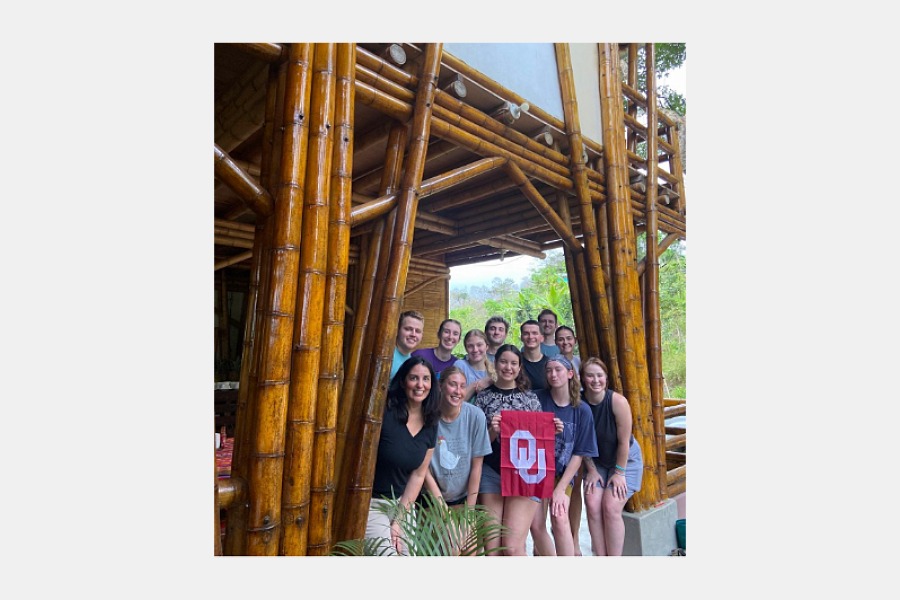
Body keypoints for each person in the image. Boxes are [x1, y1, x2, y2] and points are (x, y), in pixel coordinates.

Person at [472, 344, 548, 556]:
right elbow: (479, 444)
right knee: (493, 548)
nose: (508, 367)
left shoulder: (530, 399)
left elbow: (539, 442)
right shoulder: (483, 397)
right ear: (495, 364)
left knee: (513, 547)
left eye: (513, 363)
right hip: (491, 472)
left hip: (522, 475)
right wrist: (493, 431)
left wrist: (554, 430)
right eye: (503, 362)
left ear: (520, 367)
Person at [367, 356, 441, 555]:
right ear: (402, 381)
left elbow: (418, 475)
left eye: (426, 379)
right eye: (414, 378)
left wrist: (398, 522)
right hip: (371, 502)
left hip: (401, 504)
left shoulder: (431, 423)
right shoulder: (385, 412)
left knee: (408, 555)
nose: (420, 385)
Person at [528, 355, 597, 556]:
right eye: (549, 370)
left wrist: (560, 489)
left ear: (569, 373)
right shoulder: (537, 399)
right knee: (535, 524)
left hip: (563, 473)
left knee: (559, 517)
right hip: (537, 472)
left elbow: (579, 453)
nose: (553, 374)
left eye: (558, 369)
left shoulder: (582, 410)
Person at [422, 366, 492, 553]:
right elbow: (423, 469)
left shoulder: (475, 416)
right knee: (447, 549)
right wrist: (443, 510)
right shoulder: (427, 416)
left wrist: (469, 514)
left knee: (469, 551)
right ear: (440, 387)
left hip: (463, 499)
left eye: (462, 386)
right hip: (431, 500)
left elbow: (477, 467)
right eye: (452, 385)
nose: (458, 391)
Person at [581, 357, 643, 556]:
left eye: (599, 375)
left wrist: (619, 473)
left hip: (625, 461)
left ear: (606, 379)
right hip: (596, 462)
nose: (595, 380)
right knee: (591, 503)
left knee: (610, 506)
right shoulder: (579, 403)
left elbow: (624, 442)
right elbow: (580, 441)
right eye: (590, 375)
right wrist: (590, 469)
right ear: (582, 378)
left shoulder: (617, 402)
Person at [554, 324, 585, 554]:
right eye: (560, 339)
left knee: (575, 490)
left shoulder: (582, 363)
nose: (565, 342)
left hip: (578, 429)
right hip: (553, 441)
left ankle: (574, 540)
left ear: (574, 340)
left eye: (568, 339)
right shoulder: (554, 363)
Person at [453, 329, 496, 402]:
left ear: (487, 346)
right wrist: (476, 385)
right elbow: (456, 400)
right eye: (470, 346)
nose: (475, 350)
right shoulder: (460, 366)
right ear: (466, 349)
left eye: (479, 345)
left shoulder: (494, 370)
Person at [390, 310, 425, 380]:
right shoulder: (387, 355)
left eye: (418, 331)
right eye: (408, 329)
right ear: (398, 330)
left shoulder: (411, 361)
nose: (413, 334)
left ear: (422, 335)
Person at [519, 319, 549, 392]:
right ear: (521, 337)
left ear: (542, 338)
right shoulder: (515, 362)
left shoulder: (549, 364)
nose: (530, 337)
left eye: (534, 333)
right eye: (526, 333)